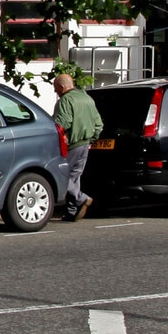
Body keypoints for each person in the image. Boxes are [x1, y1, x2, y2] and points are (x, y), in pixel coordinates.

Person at [51, 73, 102, 222]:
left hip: (71, 145)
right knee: (74, 177)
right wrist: (91, 140)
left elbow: (62, 124)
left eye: (56, 88)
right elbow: (98, 124)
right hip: (85, 144)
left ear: (62, 87)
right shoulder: (87, 98)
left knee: (60, 174)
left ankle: (81, 199)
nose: (55, 91)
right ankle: (72, 212)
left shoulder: (65, 100)